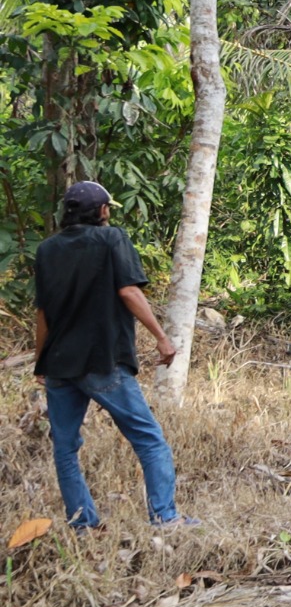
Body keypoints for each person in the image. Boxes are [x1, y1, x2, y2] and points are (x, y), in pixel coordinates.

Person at [31, 181, 190, 530]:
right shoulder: (111, 239)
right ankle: (165, 517)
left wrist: (40, 361)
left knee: (65, 450)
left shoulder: (46, 250)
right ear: (102, 211)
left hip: (59, 364)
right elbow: (129, 291)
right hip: (101, 361)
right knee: (150, 440)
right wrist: (162, 338)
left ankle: (82, 524)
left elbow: (43, 314)